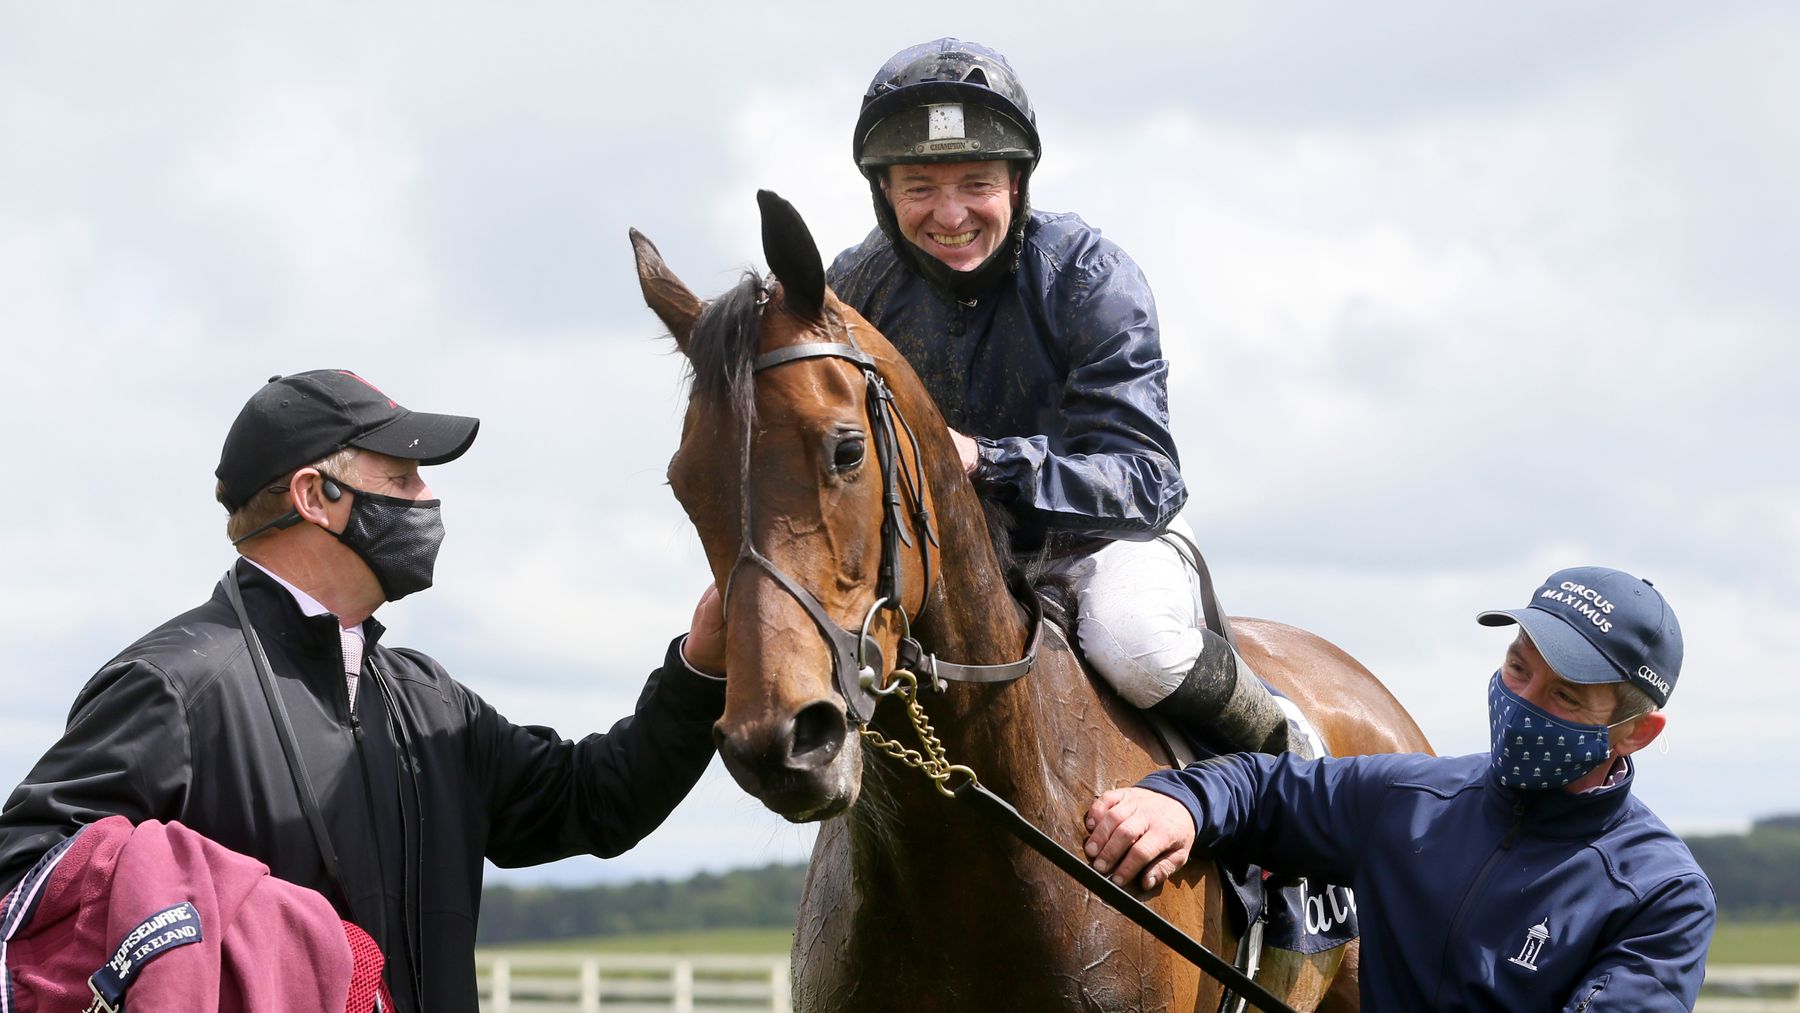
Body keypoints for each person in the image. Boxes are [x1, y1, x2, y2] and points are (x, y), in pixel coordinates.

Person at [0, 369, 729, 1013]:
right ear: (316, 496)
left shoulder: (431, 703)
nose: (429, 496)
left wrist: (700, 667)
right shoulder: (174, 685)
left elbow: (596, 800)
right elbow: (27, 879)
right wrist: (248, 923)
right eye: (404, 478)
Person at [828, 38, 1304, 758]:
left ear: (1016, 184)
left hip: (1100, 540)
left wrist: (987, 460)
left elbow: (1150, 481)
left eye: (976, 183)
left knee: (1135, 642)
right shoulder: (855, 289)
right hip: (940, 553)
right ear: (885, 193)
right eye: (920, 186)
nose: (950, 214)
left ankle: (1287, 751)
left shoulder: (1089, 276)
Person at [1082, 566, 1717, 1009]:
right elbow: (1265, 786)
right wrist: (1181, 802)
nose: (1523, 702)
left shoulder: (1664, 895)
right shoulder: (1414, 799)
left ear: (1636, 732)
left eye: (1565, 697)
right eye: (1517, 668)